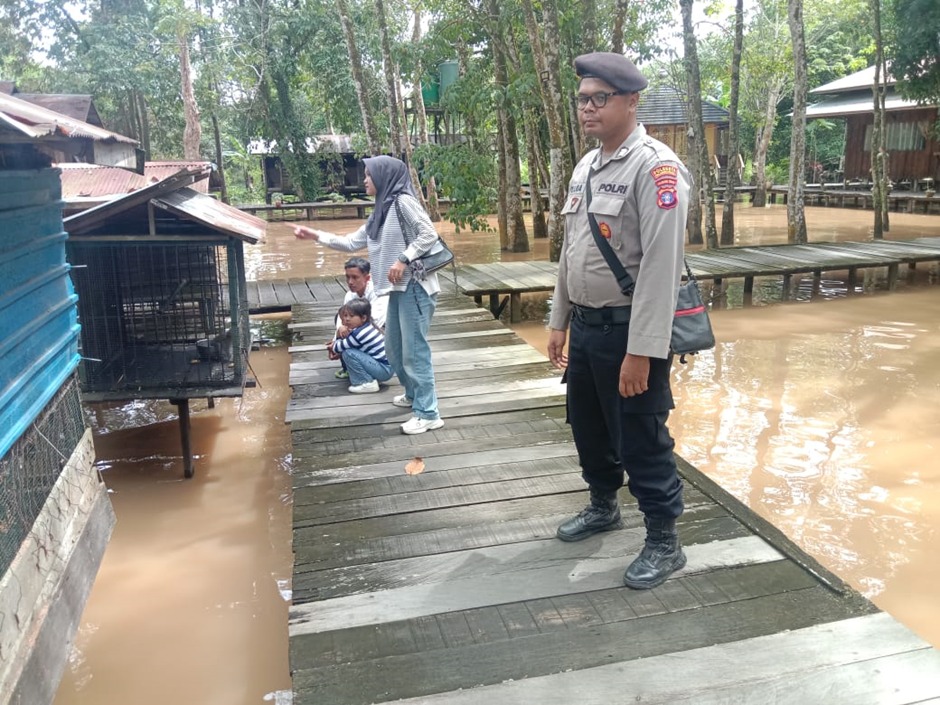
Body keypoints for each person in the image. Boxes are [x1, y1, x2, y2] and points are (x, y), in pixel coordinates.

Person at [547, 52, 691, 590]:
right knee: (588, 425)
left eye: (600, 98)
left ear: (631, 101)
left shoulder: (656, 169)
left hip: (630, 329)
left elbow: (661, 268)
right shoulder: (587, 166)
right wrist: (559, 319)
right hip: (586, 328)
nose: (588, 108)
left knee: (640, 435)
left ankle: (664, 541)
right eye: (583, 99)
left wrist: (642, 351)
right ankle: (603, 505)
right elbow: (571, 252)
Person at [294, 155, 444, 435]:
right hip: (396, 289)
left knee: (415, 352)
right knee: (394, 349)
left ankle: (428, 413)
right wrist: (314, 235)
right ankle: (413, 394)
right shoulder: (380, 212)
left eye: (368, 174)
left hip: (415, 287)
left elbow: (429, 234)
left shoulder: (403, 202)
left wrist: (403, 259)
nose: (364, 180)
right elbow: (350, 242)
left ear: (384, 177)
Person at [331, 257, 387, 380]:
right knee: (340, 320)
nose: (350, 282)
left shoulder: (378, 293)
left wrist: (341, 343)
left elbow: (374, 322)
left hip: (378, 330)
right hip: (360, 329)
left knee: (351, 332)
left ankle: (369, 368)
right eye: (347, 277)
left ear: (367, 278)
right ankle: (348, 367)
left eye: (355, 277)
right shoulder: (349, 295)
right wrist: (338, 333)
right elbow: (342, 317)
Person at [329, 299, 393, 394]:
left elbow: (337, 348)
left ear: (363, 318)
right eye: (345, 316)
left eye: (351, 316)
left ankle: (365, 382)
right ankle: (371, 378)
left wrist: (338, 335)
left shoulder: (359, 334)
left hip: (384, 370)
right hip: (387, 368)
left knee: (348, 353)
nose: (347, 319)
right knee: (351, 350)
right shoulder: (368, 327)